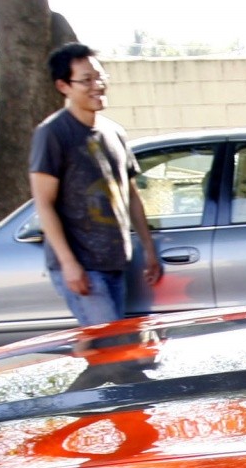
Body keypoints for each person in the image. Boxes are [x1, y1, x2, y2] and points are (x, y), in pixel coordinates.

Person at [28, 43, 161, 326]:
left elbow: (130, 194)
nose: (97, 85)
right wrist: (68, 263)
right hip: (83, 266)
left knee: (108, 342)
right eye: (86, 80)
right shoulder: (53, 133)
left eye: (100, 77)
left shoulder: (114, 132)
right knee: (110, 344)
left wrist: (148, 248)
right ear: (63, 86)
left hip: (115, 262)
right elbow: (44, 203)